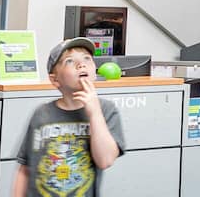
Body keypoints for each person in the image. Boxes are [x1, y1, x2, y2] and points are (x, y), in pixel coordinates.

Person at [11, 37, 126, 197]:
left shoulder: (105, 110)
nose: (81, 64)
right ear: (55, 79)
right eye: (70, 61)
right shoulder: (41, 114)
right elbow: (25, 168)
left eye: (87, 58)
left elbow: (105, 160)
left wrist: (94, 112)